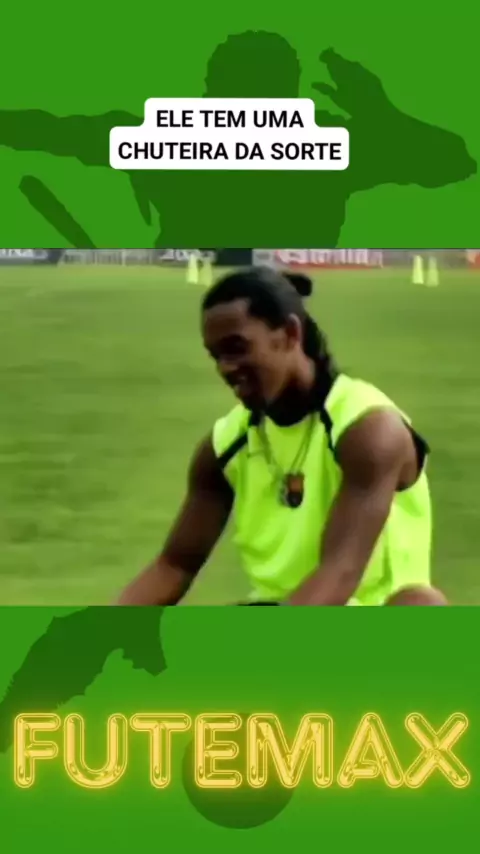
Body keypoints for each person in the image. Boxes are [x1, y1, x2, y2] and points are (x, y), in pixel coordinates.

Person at [117, 266, 447, 606]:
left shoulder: (368, 430)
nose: (225, 368)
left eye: (237, 348)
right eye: (216, 356)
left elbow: (340, 572)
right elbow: (174, 566)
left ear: (290, 333)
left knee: (421, 604)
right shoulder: (225, 445)